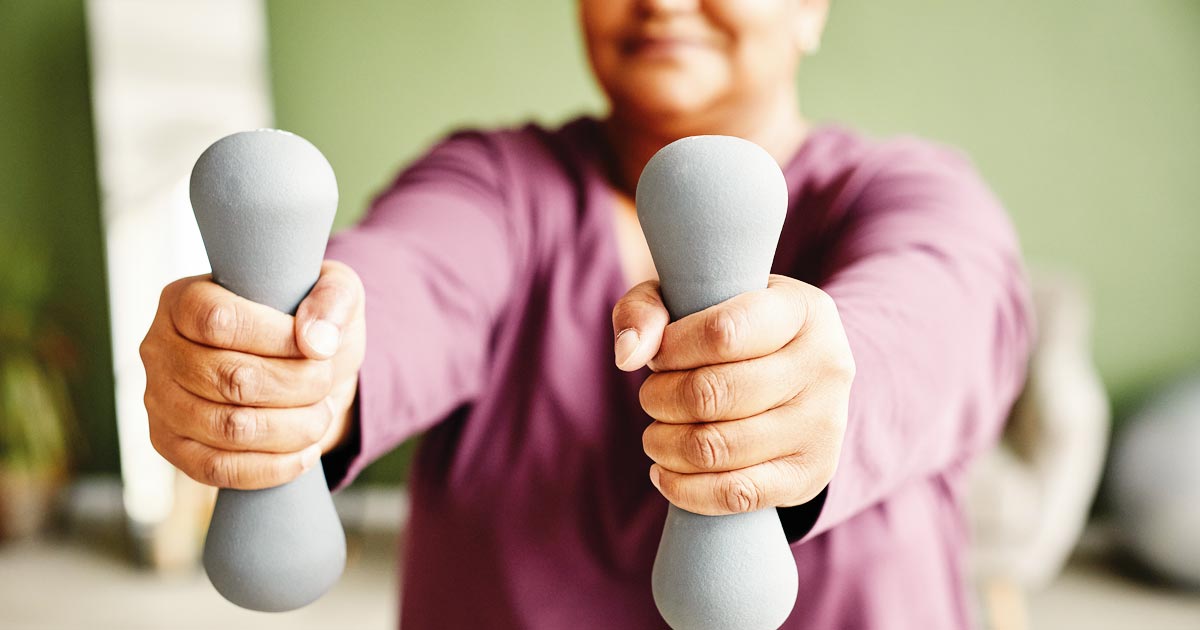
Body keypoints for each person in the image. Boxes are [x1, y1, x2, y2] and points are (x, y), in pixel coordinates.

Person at [139, 1, 1033, 627]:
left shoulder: (912, 194)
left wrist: (818, 388)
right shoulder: (493, 184)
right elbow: (408, 281)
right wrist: (299, 367)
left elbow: (947, 318)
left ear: (811, 6)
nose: (663, 1)